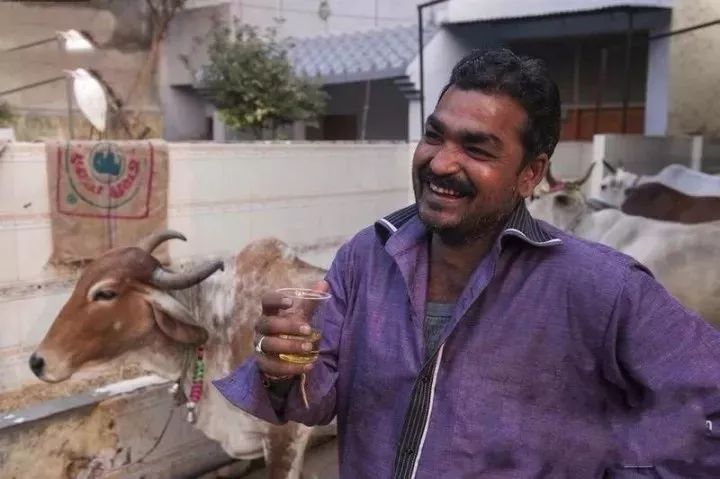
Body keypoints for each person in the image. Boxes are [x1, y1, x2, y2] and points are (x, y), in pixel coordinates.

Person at [213, 48, 720, 477]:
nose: (440, 162)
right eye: (435, 135)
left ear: (531, 174)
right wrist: (280, 366)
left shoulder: (600, 288)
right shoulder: (367, 258)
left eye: (476, 148)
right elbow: (315, 395)